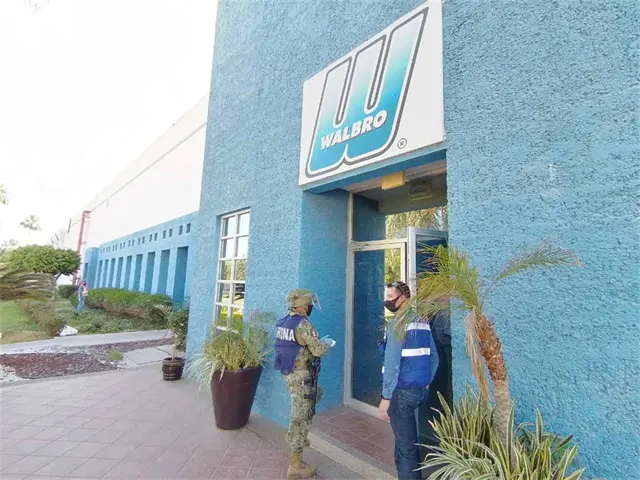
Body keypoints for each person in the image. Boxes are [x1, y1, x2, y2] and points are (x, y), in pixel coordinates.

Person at [378, 281, 439, 480]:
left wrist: (385, 398)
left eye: (390, 297)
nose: (387, 301)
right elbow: (434, 357)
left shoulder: (397, 323)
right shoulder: (422, 320)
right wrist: (426, 381)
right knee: (405, 438)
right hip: (419, 390)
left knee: (406, 448)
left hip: (401, 392)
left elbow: (392, 364)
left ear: (403, 298)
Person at [274, 289, 335, 480]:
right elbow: (317, 350)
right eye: (308, 305)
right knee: (301, 417)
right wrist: (327, 343)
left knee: (313, 399)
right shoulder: (303, 324)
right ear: (301, 306)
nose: (310, 308)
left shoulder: (284, 321)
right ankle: (296, 464)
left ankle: (297, 454)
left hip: (291, 374)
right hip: (302, 377)